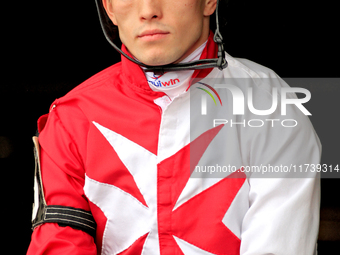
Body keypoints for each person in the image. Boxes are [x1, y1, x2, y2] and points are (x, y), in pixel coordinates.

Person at [27, 0, 321, 254]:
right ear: (109, 9)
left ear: (209, 1)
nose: (149, 11)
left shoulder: (275, 105)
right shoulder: (70, 117)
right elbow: (59, 245)